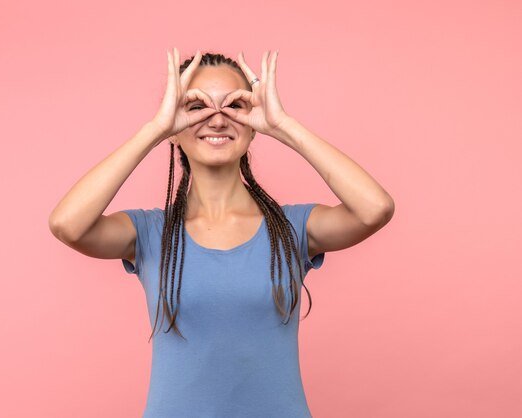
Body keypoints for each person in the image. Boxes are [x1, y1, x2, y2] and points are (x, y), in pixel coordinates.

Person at [49, 48, 395, 418]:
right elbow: (67, 224)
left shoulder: (292, 229)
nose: (217, 120)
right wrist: (155, 129)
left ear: (252, 124)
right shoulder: (151, 233)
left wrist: (284, 126)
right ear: (175, 129)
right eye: (197, 107)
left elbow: (375, 209)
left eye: (234, 106)